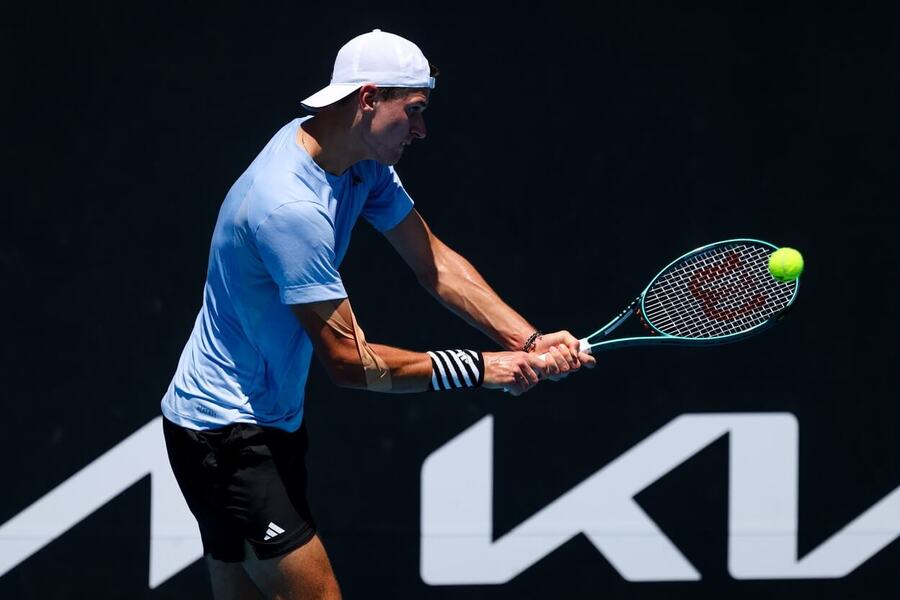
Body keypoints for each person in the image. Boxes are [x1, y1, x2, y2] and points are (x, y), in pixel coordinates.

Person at [160, 29, 596, 600]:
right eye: (413, 112)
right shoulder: (289, 206)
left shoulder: (354, 159)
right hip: (225, 435)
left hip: (262, 423)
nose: (422, 130)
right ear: (367, 100)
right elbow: (349, 362)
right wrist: (486, 367)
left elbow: (433, 262)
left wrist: (528, 339)